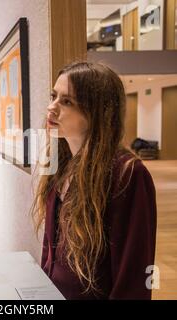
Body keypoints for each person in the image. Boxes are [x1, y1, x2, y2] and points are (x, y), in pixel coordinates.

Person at [31, 62, 157, 300]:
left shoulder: (127, 173)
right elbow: (51, 248)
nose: (51, 108)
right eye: (54, 96)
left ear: (98, 111)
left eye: (67, 102)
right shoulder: (60, 163)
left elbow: (135, 272)